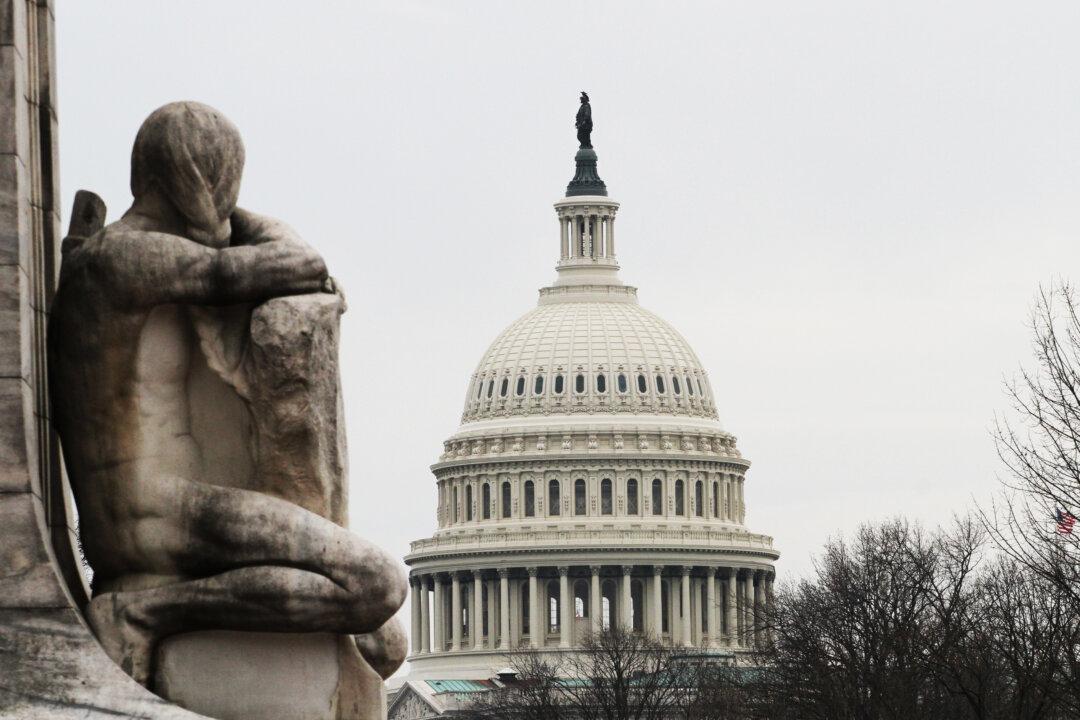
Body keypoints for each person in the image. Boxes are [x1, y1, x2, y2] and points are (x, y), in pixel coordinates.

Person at [48, 101, 406, 686]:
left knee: (384, 636)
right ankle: (143, 613)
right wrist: (226, 213)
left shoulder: (110, 259)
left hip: (166, 507)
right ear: (204, 175)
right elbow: (300, 261)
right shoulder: (130, 256)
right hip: (153, 513)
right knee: (376, 585)